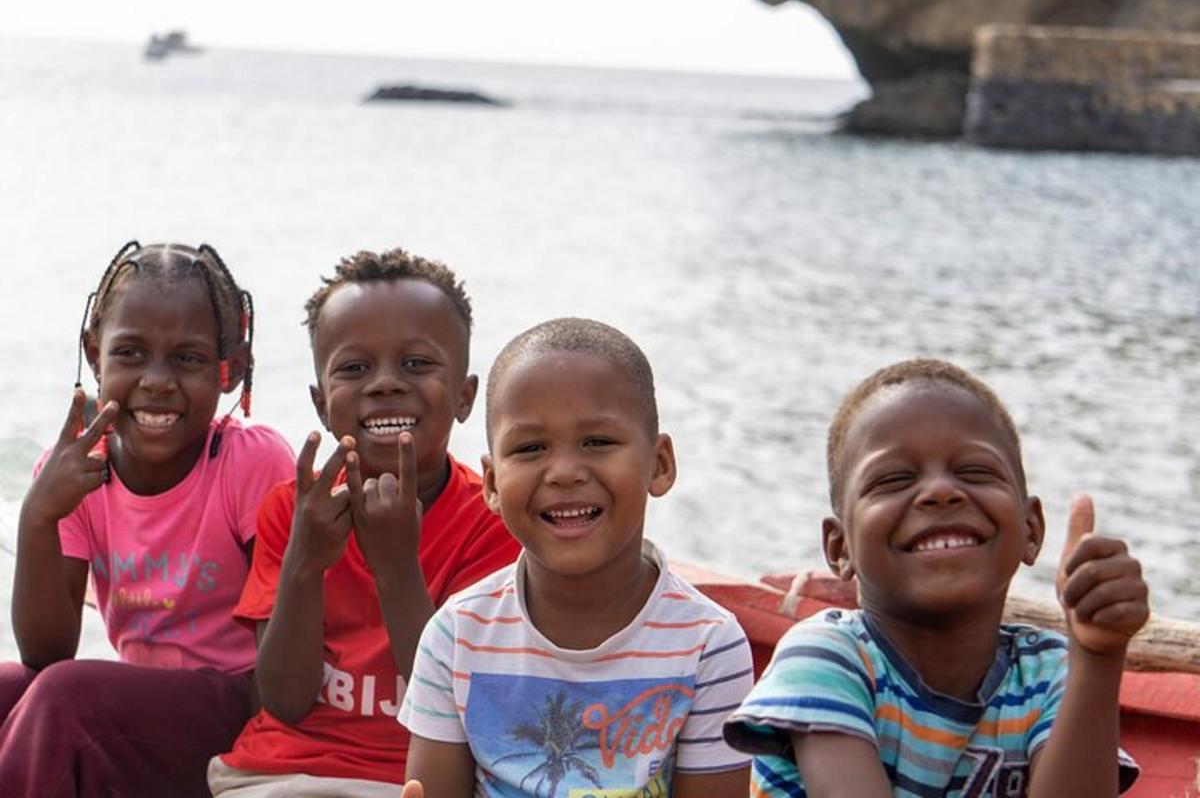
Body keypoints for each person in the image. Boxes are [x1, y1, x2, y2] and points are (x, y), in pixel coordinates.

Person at [724, 358, 1148, 797]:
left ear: (1031, 530)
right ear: (839, 547)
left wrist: (1098, 656)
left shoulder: (1050, 673)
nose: (941, 492)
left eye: (975, 472)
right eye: (893, 480)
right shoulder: (827, 659)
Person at [209, 248, 521, 796]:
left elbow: (462, 711)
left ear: (466, 396)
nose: (384, 384)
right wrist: (305, 564)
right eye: (354, 368)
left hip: (411, 780)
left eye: (417, 364)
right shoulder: (292, 510)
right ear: (321, 403)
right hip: (278, 773)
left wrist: (397, 565)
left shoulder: (491, 521)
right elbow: (282, 699)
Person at [401, 317, 755, 797]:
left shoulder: (709, 645)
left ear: (660, 463)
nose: (564, 472)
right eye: (530, 448)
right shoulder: (456, 635)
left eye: (598, 442)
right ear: (491, 485)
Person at [0, 241, 296, 797]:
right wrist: (39, 514)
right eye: (131, 354)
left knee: (67, 699)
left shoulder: (250, 463)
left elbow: (285, 666)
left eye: (188, 358)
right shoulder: (73, 470)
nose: (157, 380)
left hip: (241, 706)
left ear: (230, 368)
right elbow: (44, 653)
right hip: (141, 704)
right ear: (95, 355)